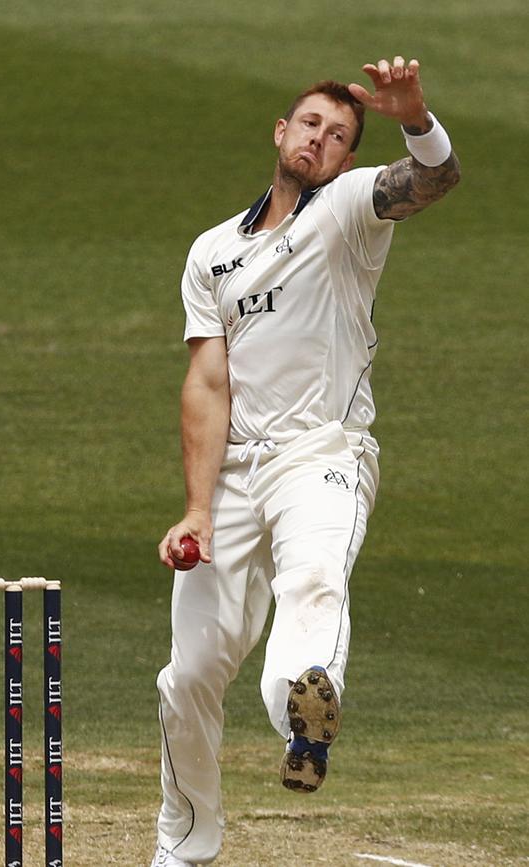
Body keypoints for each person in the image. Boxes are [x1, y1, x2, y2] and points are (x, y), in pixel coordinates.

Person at [150, 57, 460, 867]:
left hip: (324, 450)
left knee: (313, 581)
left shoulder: (350, 212)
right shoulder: (211, 252)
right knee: (188, 677)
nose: (321, 140)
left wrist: (416, 116)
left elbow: (432, 179)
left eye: (339, 136)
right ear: (282, 133)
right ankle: (184, 845)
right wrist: (195, 508)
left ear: (346, 159)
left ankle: (306, 713)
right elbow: (208, 383)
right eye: (311, 125)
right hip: (236, 473)